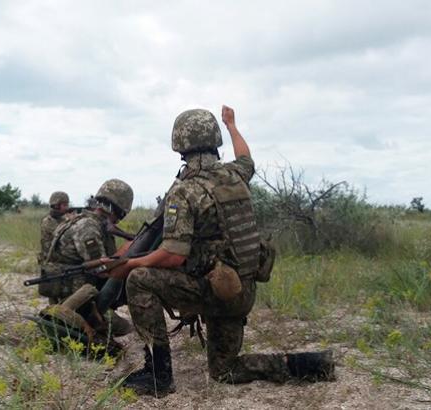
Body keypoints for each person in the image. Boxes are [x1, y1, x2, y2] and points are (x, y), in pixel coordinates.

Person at [106, 106, 335, 396]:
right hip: (241, 293)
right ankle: (312, 365)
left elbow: (173, 255)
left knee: (139, 279)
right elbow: (246, 158)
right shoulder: (234, 176)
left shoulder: (184, 190)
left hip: (214, 292)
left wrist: (128, 264)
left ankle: (157, 375)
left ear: (179, 145)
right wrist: (232, 125)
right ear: (215, 142)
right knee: (225, 371)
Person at [43, 180, 134, 335]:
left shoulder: (90, 221)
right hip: (76, 296)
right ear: (117, 209)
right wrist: (128, 250)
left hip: (71, 290)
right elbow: (102, 270)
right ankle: (81, 320)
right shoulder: (88, 226)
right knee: (124, 328)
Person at [38, 191, 70, 304]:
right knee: (53, 292)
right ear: (56, 205)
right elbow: (59, 233)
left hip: (59, 261)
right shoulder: (47, 221)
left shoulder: (62, 219)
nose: (67, 207)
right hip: (51, 262)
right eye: (64, 205)